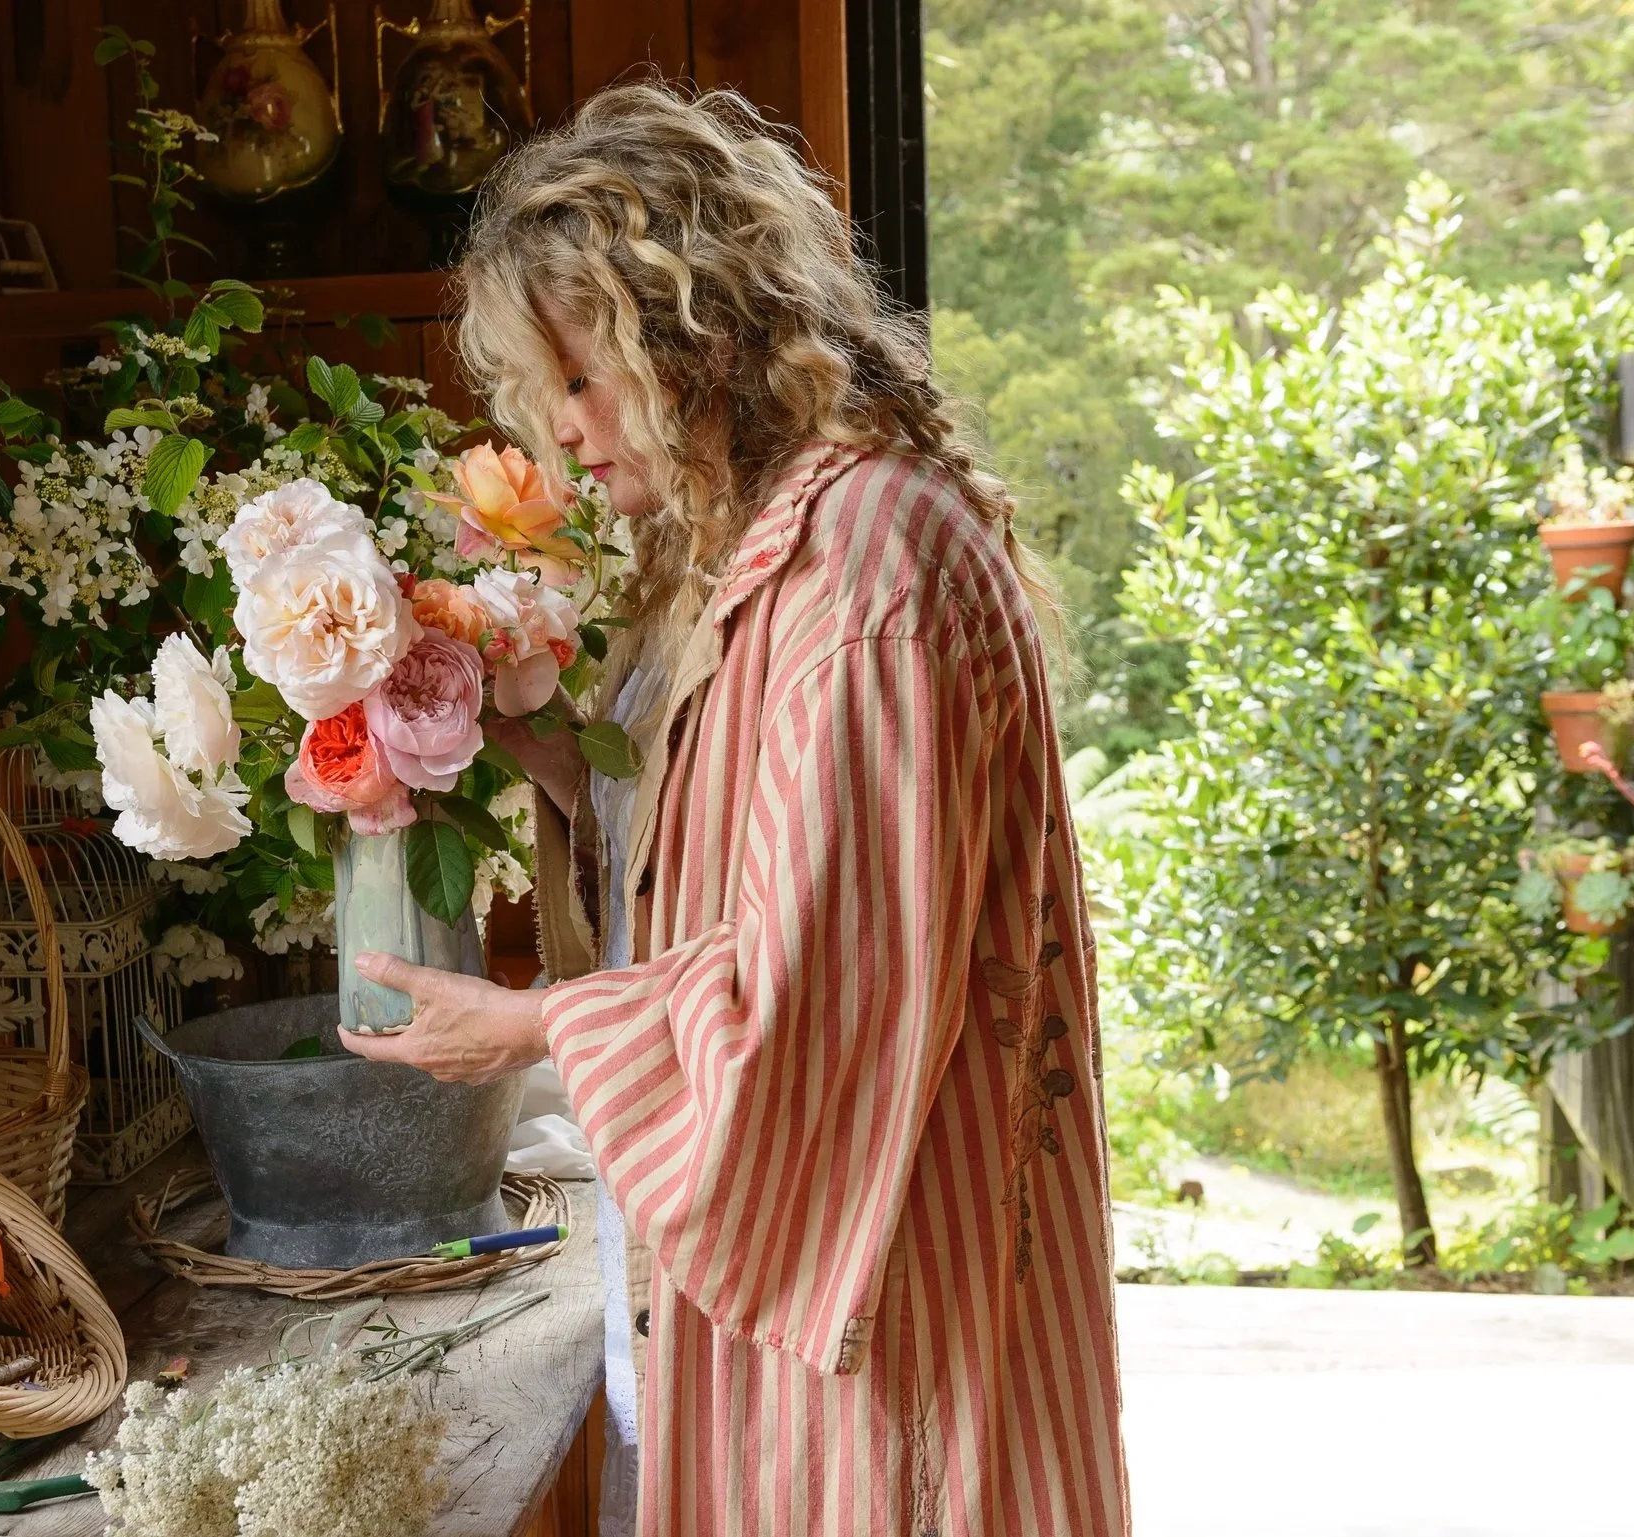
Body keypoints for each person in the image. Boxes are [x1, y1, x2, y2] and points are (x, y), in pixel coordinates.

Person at [339, 82, 1128, 1537]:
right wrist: (538, 748)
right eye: (543, 390)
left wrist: (532, 1026)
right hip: (808, 1289)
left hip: (888, 1299)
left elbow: (822, 993)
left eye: (584, 379)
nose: (564, 434)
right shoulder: (752, 538)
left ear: (697, 333)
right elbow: (718, 854)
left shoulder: (863, 575)